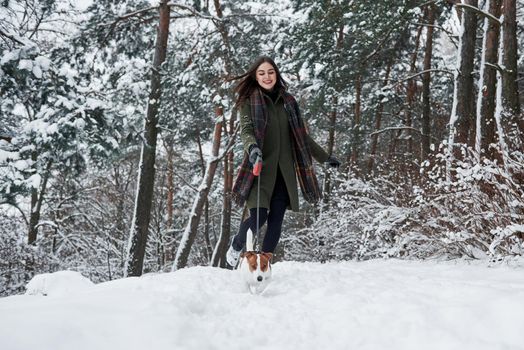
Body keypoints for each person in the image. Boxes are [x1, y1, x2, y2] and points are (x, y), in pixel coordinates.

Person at [226, 56, 340, 267]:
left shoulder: (289, 102)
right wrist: (252, 149)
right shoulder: (248, 102)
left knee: (276, 218)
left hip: (284, 173)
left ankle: (265, 264)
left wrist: (325, 158)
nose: (267, 77)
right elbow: (247, 131)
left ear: (276, 74)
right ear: (255, 76)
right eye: (261, 73)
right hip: (259, 169)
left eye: (270, 72)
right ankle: (237, 243)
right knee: (258, 217)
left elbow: (302, 137)